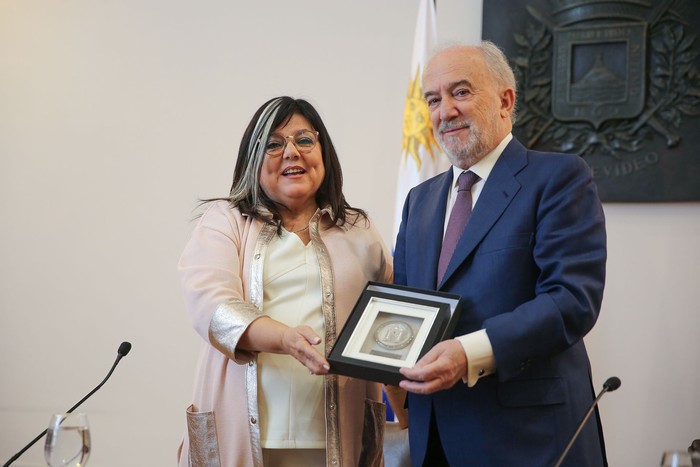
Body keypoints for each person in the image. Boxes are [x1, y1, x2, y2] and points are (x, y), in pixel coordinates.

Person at [394, 41, 608, 466]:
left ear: (505, 101)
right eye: (433, 99)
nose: (445, 111)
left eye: (461, 92)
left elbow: (571, 301)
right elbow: (407, 308)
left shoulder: (558, 178)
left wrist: (468, 352)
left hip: (529, 441)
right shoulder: (419, 200)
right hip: (433, 438)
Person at [177, 96, 393, 467]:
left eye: (304, 140)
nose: (291, 152)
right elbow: (211, 306)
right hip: (244, 436)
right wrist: (284, 338)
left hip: (338, 436)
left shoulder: (359, 229)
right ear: (252, 160)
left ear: (322, 152)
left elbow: (393, 321)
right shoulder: (224, 221)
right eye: (274, 144)